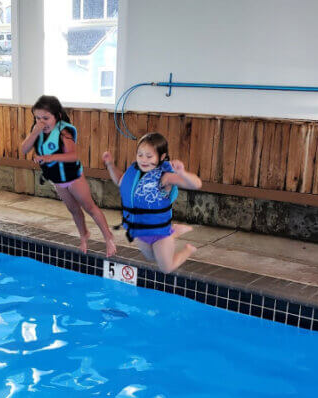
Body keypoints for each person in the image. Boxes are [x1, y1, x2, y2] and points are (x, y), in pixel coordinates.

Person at [21, 95, 117, 257]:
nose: (41, 122)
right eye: (37, 118)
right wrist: (34, 133)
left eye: (46, 118)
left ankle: (108, 237)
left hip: (73, 177)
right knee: (73, 209)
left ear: (57, 116)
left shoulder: (63, 132)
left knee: (89, 207)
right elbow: (24, 149)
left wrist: (49, 158)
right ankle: (84, 235)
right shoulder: (36, 130)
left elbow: (73, 156)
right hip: (58, 179)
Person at [102, 132, 202, 273]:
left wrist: (182, 172)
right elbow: (120, 181)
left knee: (166, 268)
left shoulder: (165, 177)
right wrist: (110, 164)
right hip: (140, 229)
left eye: (149, 156)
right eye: (140, 155)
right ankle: (175, 232)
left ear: (161, 157)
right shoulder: (135, 172)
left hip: (160, 232)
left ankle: (186, 248)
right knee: (150, 258)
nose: (143, 160)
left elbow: (196, 184)